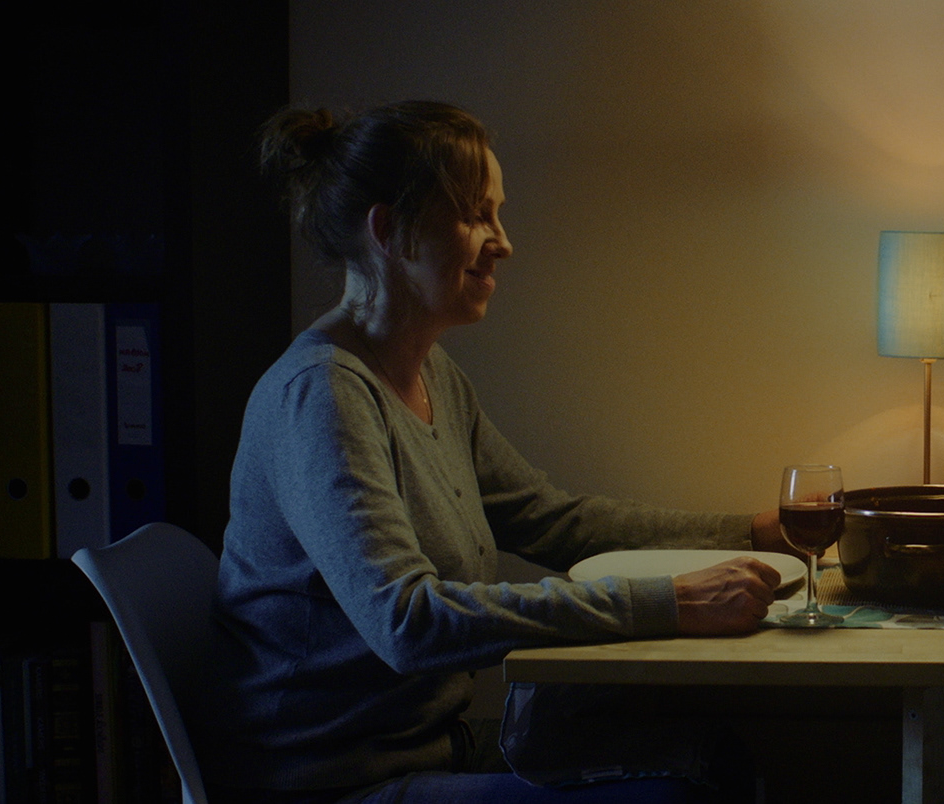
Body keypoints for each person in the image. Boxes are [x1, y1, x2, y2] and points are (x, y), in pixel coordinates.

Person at [198, 100, 796, 804]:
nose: (503, 242)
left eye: (497, 214)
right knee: (674, 796)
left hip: (432, 745)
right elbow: (407, 623)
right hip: (338, 782)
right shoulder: (322, 396)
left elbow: (552, 520)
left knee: (709, 752)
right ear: (388, 231)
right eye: (475, 215)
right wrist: (669, 603)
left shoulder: (433, 374)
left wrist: (749, 533)